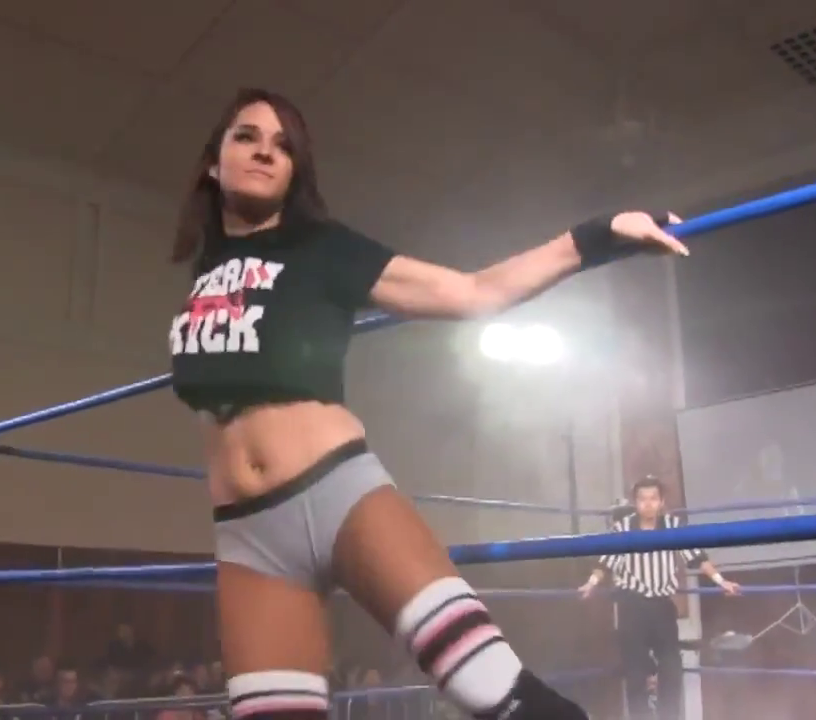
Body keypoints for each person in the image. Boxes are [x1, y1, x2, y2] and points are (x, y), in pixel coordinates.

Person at [166, 87, 690, 720]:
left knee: (491, 687)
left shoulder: (323, 249)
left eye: (283, 146)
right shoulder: (204, 272)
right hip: (248, 537)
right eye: (246, 136)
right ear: (212, 162)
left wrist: (598, 236)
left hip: (335, 496)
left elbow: (473, 292)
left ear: (295, 171)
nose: (264, 152)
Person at [578, 476, 741, 719]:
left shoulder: (673, 526)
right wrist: (591, 584)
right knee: (635, 672)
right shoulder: (623, 528)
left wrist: (721, 581)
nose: (648, 504)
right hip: (632, 605)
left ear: (661, 502)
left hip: (662, 606)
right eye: (642, 499)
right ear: (635, 502)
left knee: (672, 667)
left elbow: (697, 557)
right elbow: (605, 562)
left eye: (653, 498)